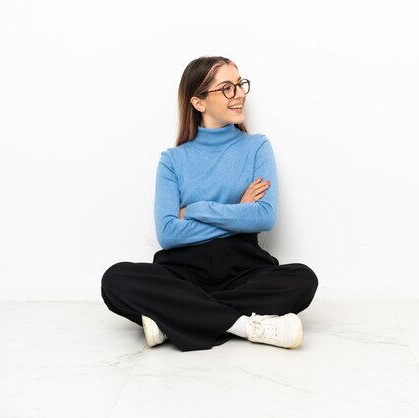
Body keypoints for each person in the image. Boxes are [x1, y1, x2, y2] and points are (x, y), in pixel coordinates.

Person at [100, 56, 319, 352]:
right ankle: (245, 326)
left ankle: (172, 318)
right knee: (115, 279)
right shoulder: (172, 160)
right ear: (199, 102)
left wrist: (194, 210)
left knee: (303, 279)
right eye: (227, 88)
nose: (239, 94)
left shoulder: (256, 147)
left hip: (244, 271)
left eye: (240, 85)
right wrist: (239, 211)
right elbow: (168, 233)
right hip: (183, 274)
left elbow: (264, 217)